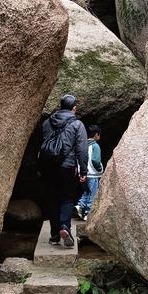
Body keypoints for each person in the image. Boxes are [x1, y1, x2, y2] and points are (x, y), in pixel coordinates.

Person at [39, 94, 88, 248]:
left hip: (49, 167)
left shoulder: (47, 122)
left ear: (60, 106)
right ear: (74, 108)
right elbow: (82, 150)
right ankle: (65, 227)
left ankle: (54, 236)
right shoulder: (77, 125)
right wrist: (83, 170)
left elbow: (46, 143)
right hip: (68, 166)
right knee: (67, 199)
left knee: (52, 200)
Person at [75, 125, 103, 220]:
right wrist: (99, 168)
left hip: (83, 174)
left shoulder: (82, 145)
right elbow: (95, 160)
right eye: (99, 135)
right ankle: (88, 214)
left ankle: (80, 205)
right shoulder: (95, 146)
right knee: (93, 194)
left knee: (87, 191)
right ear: (96, 135)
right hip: (92, 174)